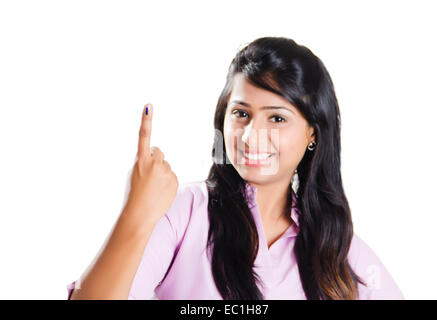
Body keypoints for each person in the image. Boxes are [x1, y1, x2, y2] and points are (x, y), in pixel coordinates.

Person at [67, 36, 404, 300]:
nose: (252, 135)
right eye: (241, 113)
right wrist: (136, 213)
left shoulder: (334, 246)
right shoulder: (186, 213)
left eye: (276, 118)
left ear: (312, 133)